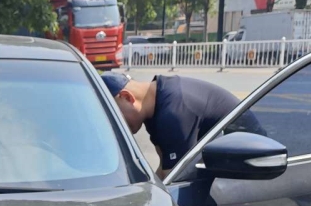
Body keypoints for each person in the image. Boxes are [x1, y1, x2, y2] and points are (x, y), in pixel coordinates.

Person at [102, 71, 261, 176]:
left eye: (114, 115)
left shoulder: (173, 112)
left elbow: (175, 177)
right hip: (221, 166)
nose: (114, 126)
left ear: (127, 97)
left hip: (252, 167)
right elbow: (164, 168)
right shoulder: (155, 103)